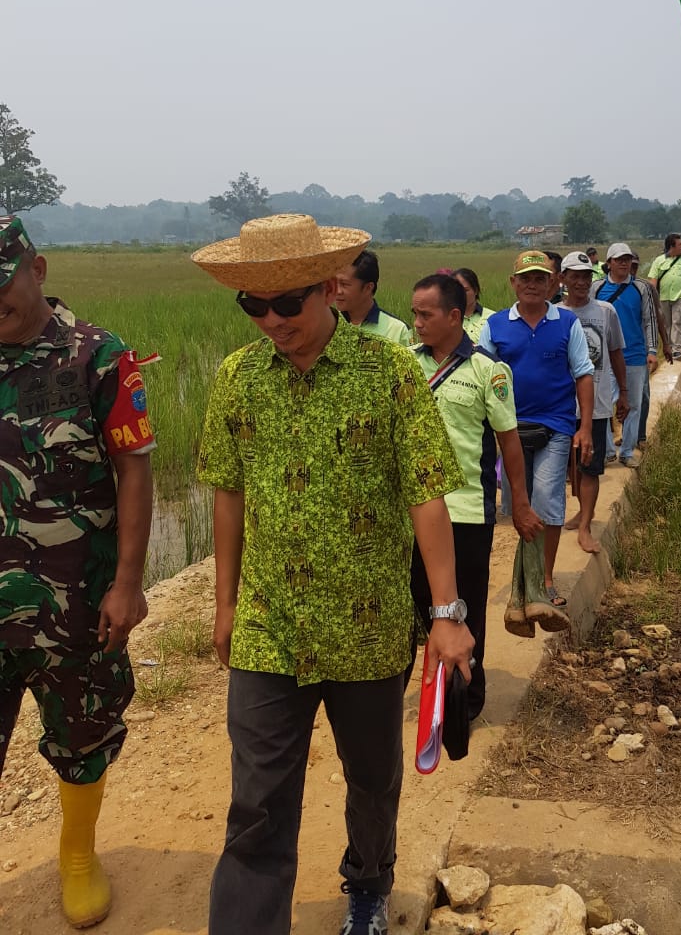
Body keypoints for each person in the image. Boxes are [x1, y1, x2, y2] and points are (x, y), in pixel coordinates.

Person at [192, 215, 473, 935]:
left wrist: (447, 614)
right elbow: (228, 494)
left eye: (286, 303)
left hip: (367, 626)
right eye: (253, 306)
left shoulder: (390, 373)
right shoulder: (237, 378)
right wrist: (224, 606)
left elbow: (426, 493)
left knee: (372, 782)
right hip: (268, 627)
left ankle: (369, 884)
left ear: (328, 288)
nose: (271, 321)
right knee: (257, 802)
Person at [0, 216, 155, 929]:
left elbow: (133, 468)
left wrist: (127, 582)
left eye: (2, 286)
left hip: (75, 596)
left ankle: (77, 854)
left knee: (84, 730)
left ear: (37, 268)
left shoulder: (97, 356)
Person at [410, 274, 541, 718]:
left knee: (464, 605)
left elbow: (509, 444)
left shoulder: (489, 371)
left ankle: (466, 697)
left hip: (466, 510)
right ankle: (412, 691)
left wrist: (519, 504)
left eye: (425, 315)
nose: (417, 323)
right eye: (413, 314)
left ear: (454, 316)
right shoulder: (406, 365)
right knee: (415, 603)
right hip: (411, 510)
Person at [478, 251, 594, 607]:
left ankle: (543, 580)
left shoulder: (566, 323)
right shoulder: (496, 325)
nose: (531, 285)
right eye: (525, 278)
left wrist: (584, 427)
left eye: (540, 278)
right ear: (513, 283)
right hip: (509, 429)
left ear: (552, 283)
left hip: (556, 424)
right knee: (517, 506)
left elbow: (583, 373)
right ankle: (525, 577)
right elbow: (481, 373)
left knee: (547, 499)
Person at [559, 252, 629, 553]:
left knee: (590, 466)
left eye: (586, 276)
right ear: (562, 278)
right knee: (571, 468)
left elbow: (614, 353)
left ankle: (586, 525)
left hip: (597, 405)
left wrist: (623, 392)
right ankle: (580, 510)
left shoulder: (605, 311)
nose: (581, 282)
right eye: (574, 276)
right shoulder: (554, 314)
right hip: (561, 405)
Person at [591, 243, 658, 467]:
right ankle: (608, 450)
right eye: (619, 259)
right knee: (603, 404)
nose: (624, 263)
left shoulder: (641, 288)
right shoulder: (596, 288)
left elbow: (649, 321)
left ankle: (627, 452)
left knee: (633, 404)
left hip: (635, 355)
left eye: (627, 259)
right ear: (608, 263)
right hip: (603, 357)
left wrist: (652, 350)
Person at [335, 249, 412, 345]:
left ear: (368, 288)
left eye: (344, 284)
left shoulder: (397, 330)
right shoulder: (328, 325)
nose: (337, 291)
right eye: (334, 283)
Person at [648, 234, 681, 361]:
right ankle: (669, 347)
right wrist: (651, 298)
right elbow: (653, 280)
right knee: (667, 324)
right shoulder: (659, 261)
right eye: (679, 245)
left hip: (680, 296)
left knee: (678, 321)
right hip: (663, 297)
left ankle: (677, 349)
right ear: (672, 246)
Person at [451, 267, 494, 344]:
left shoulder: (492, 318)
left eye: (465, 290)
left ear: (476, 290)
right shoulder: (445, 319)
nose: (460, 294)